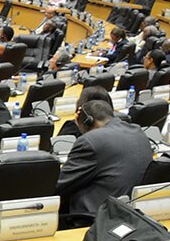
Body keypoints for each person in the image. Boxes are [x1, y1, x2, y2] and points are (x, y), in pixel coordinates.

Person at [54, 88, 154, 226]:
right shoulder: (138, 132)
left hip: (92, 219)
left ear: (87, 121)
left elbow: (59, 185)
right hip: (129, 213)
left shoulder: (90, 141)